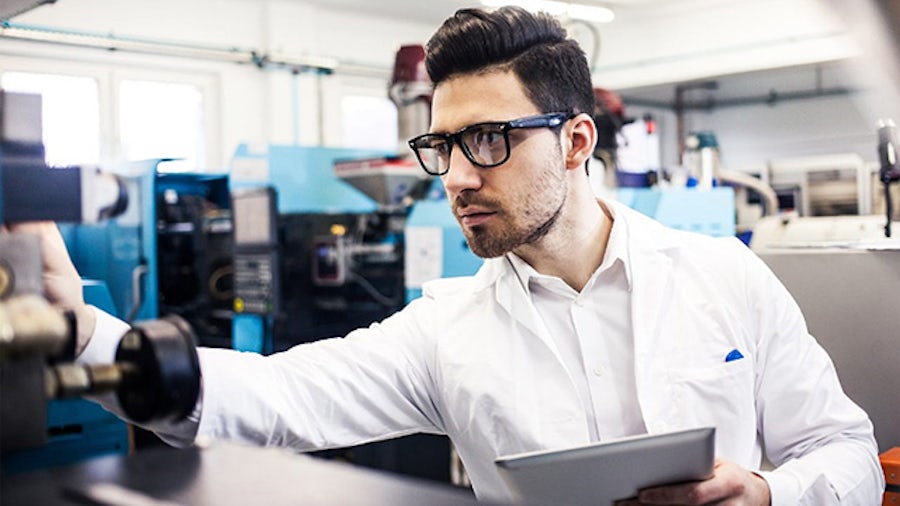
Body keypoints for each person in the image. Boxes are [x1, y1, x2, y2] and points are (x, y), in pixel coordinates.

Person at [22, 6, 883, 505]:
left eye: (490, 139)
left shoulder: (724, 277)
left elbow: (846, 449)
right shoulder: (446, 331)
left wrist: (768, 493)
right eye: (443, 145)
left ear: (578, 139)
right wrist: (85, 333)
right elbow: (273, 400)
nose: (459, 175)